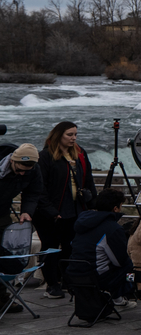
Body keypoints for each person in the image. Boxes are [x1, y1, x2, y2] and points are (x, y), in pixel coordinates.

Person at [35, 121, 97, 299]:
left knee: (71, 247)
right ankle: (52, 285)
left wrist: (93, 203)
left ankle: (69, 281)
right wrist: (51, 211)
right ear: (58, 135)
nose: (74, 138)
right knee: (50, 248)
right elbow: (39, 188)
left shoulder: (79, 153)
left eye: (75, 134)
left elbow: (89, 180)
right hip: (51, 213)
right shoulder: (45, 156)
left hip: (75, 209)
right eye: (69, 134)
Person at [66, 189, 135, 305]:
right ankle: (120, 296)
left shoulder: (83, 222)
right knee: (130, 267)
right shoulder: (113, 228)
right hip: (96, 279)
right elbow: (120, 262)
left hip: (73, 275)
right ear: (115, 208)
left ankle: (115, 296)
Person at [0, 143, 44, 233]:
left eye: (26, 171)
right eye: (19, 170)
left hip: (3, 212)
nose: (22, 174)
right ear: (12, 160)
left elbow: (32, 193)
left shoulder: (34, 171)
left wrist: (26, 211)